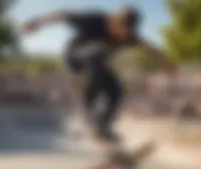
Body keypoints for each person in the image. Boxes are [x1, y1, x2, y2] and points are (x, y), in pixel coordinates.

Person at [22, 6, 161, 142]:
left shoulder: (129, 37)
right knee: (97, 51)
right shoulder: (96, 20)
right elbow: (63, 14)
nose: (120, 35)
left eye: (125, 33)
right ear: (114, 20)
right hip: (75, 56)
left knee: (116, 92)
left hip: (97, 65)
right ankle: (89, 111)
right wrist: (35, 23)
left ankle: (103, 128)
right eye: (119, 29)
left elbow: (147, 46)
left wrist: (168, 65)